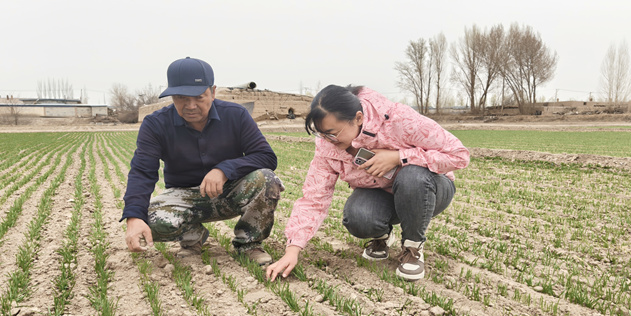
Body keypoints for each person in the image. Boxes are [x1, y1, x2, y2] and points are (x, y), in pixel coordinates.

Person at [266, 85, 469, 281]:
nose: (327, 140)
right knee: (357, 216)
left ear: (358, 118)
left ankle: (413, 247)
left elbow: (459, 156)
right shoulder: (327, 146)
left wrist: (399, 157)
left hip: (428, 189)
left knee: (412, 176)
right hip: (381, 193)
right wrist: (293, 250)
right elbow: (314, 198)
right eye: (321, 133)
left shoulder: (399, 120)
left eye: (332, 133)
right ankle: (382, 236)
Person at [122, 57, 283, 264]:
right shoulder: (155, 124)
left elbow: (266, 157)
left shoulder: (236, 115)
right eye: (181, 97)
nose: (191, 106)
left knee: (267, 179)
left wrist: (224, 170)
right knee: (146, 219)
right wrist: (133, 218)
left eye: (199, 97)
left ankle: (249, 245)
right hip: (185, 197)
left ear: (213, 92)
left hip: (230, 191)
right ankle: (193, 237)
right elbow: (142, 172)